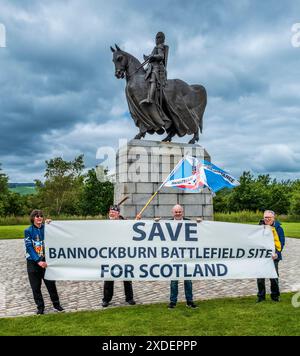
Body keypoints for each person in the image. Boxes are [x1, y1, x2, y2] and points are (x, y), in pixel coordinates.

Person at [24, 209, 64, 315]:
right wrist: (38, 261)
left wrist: (52, 224)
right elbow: (29, 247)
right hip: (33, 262)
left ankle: (56, 304)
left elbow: (57, 233)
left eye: (41, 216)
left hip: (46, 261)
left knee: (51, 284)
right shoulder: (28, 231)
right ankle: (40, 307)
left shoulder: (47, 228)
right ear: (33, 218)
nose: (39, 218)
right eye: (37, 216)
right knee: (35, 287)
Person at [102, 205, 136, 307]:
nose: (111, 213)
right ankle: (106, 299)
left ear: (118, 213)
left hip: (123, 253)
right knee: (108, 277)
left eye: (114, 212)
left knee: (127, 276)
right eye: (110, 211)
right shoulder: (104, 224)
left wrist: (137, 222)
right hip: (109, 254)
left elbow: (132, 231)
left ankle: (129, 298)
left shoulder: (125, 223)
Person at [167, 204, 198, 309]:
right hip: (174, 255)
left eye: (179, 211)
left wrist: (200, 222)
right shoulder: (167, 223)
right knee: (174, 281)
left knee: (188, 280)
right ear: (173, 212)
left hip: (186, 255)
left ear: (182, 212)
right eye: (176, 212)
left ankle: (189, 301)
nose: (178, 213)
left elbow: (199, 230)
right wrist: (156, 222)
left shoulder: (189, 222)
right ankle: (173, 302)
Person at [256, 210, 285, 303]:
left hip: (274, 256)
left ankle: (275, 296)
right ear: (263, 217)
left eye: (269, 217)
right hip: (261, 256)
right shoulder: (259, 227)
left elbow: (281, 242)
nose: (267, 219)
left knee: (274, 277)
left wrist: (276, 253)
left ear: (273, 218)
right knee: (260, 278)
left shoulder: (278, 228)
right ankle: (261, 297)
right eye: (265, 217)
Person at [140, 31, 168, 105]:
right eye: (156, 38)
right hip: (152, 66)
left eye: (158, 38)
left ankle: (150, 99)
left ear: (161, 39)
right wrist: (148, 56)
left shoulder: (159, 46)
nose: (156, 40)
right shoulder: (156, 47)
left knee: (153, 80)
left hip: (157, 68)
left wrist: (152, 56)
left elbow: (161, 56)